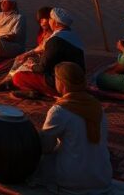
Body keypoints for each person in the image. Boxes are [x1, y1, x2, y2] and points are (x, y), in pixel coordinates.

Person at [33, 62, 113, 195]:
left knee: (40, 162)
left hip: (73, 180)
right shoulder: (96, 106)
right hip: (103, 177)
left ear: (62, 83)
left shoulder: (59, 110)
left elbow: (46, 147)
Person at [11, 7, 85, 98]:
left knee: (18, 77)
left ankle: (46, 93)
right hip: (78, 81)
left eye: (50, 19)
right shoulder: (74, 37)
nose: (49, 21)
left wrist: (32, 66)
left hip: (61, 83)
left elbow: (43, 68)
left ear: (56, 22)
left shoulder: (55, 40)